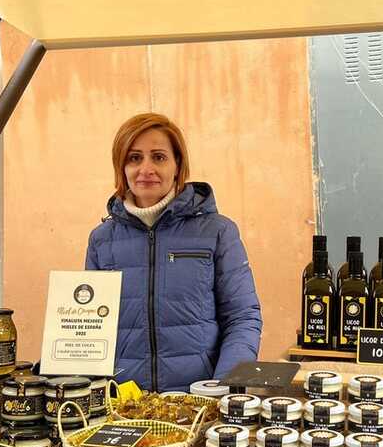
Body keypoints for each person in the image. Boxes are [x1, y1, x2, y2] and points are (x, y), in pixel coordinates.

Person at [85, 113, 262, 391]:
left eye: (159, 157)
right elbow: (90, 326)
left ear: (177, 165)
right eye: (134, 158)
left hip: (199, 401)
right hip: (124, 403)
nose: (146, 168)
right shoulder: (102, 240)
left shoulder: (218, 232)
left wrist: (222, 388)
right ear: (121, 167)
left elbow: (242, 317)